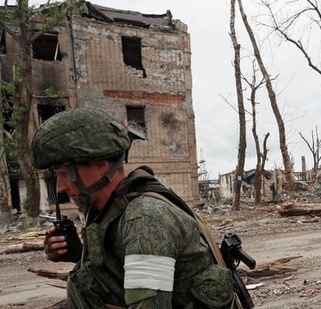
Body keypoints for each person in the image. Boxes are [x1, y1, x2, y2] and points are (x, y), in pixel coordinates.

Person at [31, 108, 234, 308]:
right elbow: (120, 271)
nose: (60, 187)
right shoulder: (111, 209)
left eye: (64, 173)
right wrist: (79, 254)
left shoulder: (145, 219)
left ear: (100, 164)